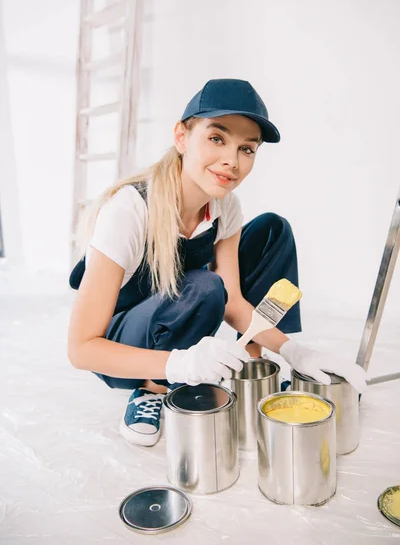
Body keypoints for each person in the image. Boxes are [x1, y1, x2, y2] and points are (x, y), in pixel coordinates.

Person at [68, 78, 367, 447]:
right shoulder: (129, 210)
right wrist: (178, 366)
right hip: (120, 347)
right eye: (216, 138)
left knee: (273, 230)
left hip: (179, 308)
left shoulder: (225, 206)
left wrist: (294, 350)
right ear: (181, 137)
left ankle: (254, 368)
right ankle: (151, 389)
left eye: (247, 148)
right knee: (204, 286)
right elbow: (81, 349)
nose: (232, 160)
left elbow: (235, 302)